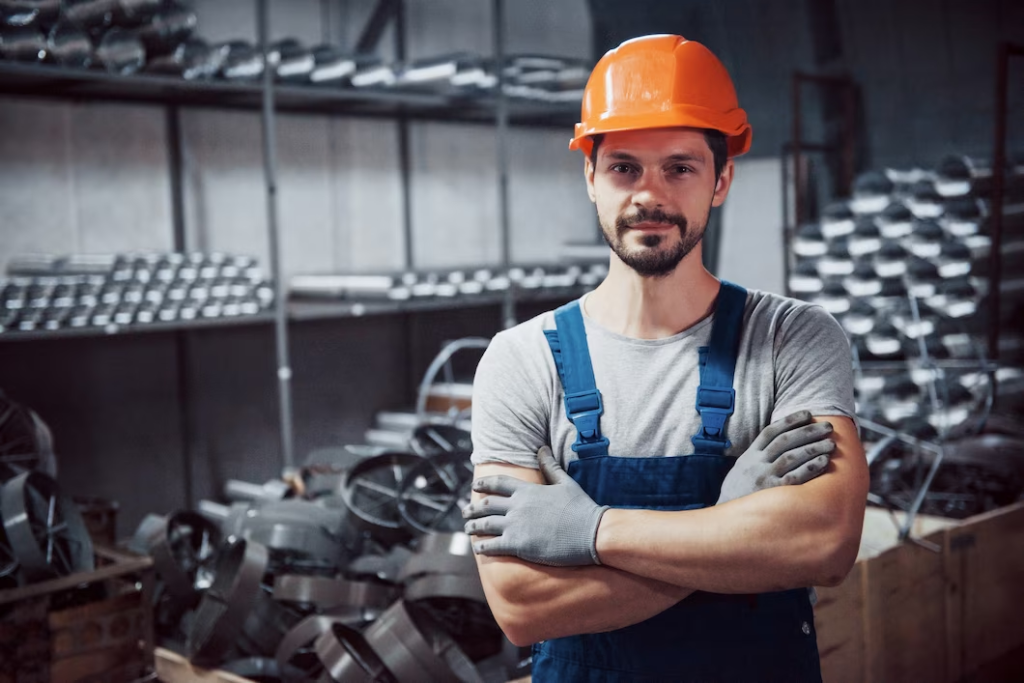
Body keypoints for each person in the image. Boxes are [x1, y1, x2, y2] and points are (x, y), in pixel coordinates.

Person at [462, 34, 869, 682]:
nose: (649, 194)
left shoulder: (793, 338)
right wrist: (729, 532)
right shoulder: (521, 362)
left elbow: (823, 542)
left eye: (679, 167)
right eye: (625, 167)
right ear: (590, 178)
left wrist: (592, 531)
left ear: (721, 179)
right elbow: (522, 603)